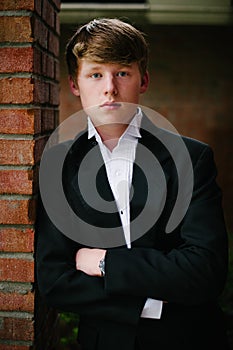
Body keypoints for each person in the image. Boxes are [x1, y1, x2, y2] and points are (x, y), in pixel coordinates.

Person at [36, 18, 229, 350]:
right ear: (75, 84)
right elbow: (56, 280)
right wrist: (148, 303)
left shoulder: (191, 158)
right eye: (96, 74)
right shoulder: (59, 167)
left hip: (190, 339)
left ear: (144, 80)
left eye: (122, 72)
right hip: (104, 342)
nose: (109, 88)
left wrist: (104, 263)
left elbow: (206, 270)